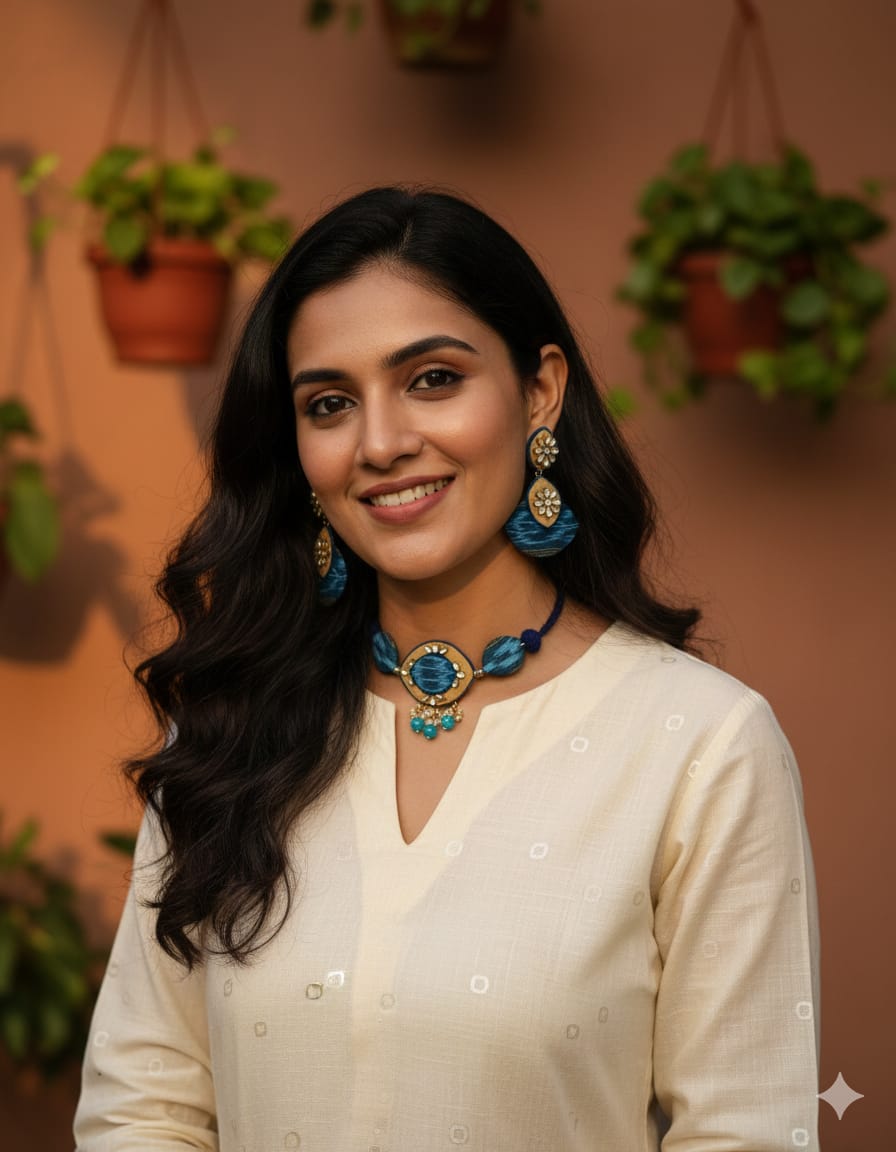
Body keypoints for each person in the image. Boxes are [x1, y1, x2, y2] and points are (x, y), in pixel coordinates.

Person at [74, 187, 821, 1151]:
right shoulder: (228, 732)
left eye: (432, 379)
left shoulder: (698, 748)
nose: (380, 444)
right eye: (330, 404)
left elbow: (744, 1132)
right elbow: (146, 1108)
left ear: (540, 390)